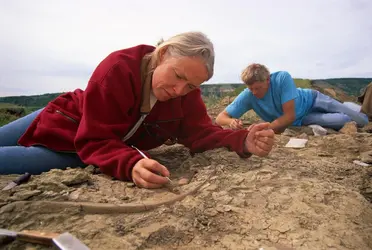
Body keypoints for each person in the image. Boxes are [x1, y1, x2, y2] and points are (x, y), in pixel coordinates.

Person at [0, 31, 275, 189]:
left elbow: (199, 132)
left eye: (191, 86)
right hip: (67, 125)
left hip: (78, 152)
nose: (180, 90)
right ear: (163, 54)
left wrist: (242, 139)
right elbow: (94, 138)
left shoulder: (186, 93)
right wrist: (130, 163)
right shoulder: (119, 67)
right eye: (178, 76)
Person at [216, 63, 369, 133]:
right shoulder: (248, 95)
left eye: (258, 88)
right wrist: (231, 121)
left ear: (267, 80)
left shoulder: (282, 78)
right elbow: (220, 118)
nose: (254, 92)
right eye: (251, 89)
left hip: (313, 99)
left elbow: (288, 116)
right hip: (303, 118)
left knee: (363, 120)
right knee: (343, 120)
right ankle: (347, 107)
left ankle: (350, 105)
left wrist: (265, 128)